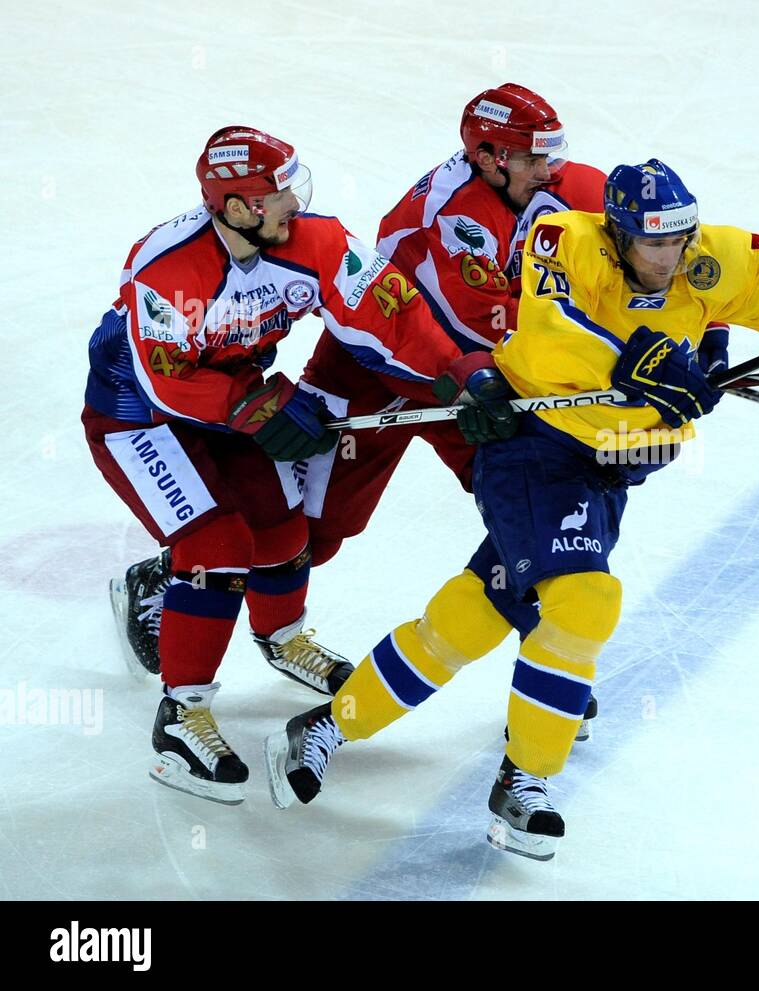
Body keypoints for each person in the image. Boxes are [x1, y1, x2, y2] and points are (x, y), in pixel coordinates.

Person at [265, 159, 759, 860]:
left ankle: (328, 724)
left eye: (680, 239)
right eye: (653, 242)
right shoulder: (562, 239)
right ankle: (526, 780)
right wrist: (637, 359)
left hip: (609, 467)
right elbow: (548, 328)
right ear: (618, 235)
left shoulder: (707, 255)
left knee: (473, 616)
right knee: (583, 602)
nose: (671, 257)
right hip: (533, 449)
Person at [110, 86, 618, 738]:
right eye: (530, 157)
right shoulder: (443, 215)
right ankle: (169, 573)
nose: (549, 170)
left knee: (536, 503)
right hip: (381, 372)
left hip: (476, 380)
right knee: (306, 535)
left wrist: (686, 337)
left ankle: (556, 666)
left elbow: (648, 263)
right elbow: (403, 319)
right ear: (489, 157)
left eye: (551, 154)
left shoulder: (580, 189)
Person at [84, 125, 486, 804]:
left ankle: (280, 635)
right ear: (236, 207)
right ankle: (180, 715)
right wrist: (255, 407)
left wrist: (457, 371)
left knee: (285, 528)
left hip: (235, 392)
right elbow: (165, 380)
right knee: (217, 547)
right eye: (278, 196)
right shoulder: (166, 268)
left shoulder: (317, 242)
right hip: (137, 412)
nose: (293, 206)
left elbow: (392, 313)